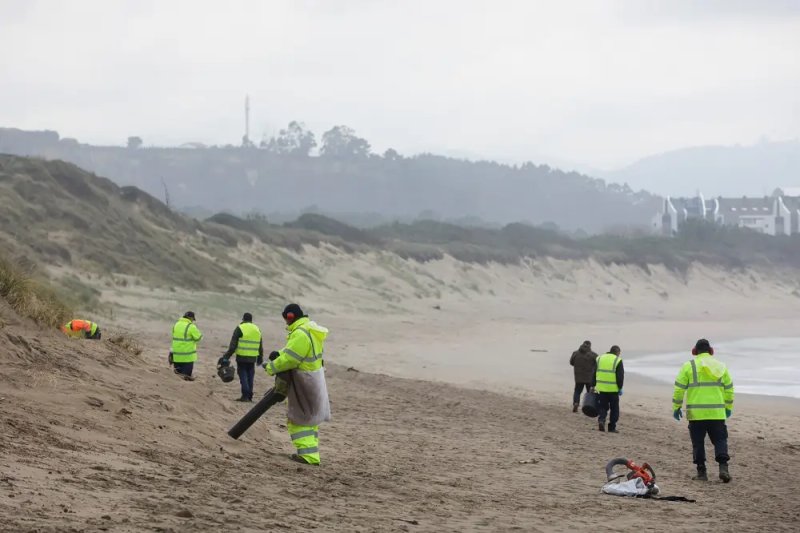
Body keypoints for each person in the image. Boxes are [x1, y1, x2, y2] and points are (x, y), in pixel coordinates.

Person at [262, 303, 331, 465]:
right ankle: (311, 454)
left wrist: (271, 367)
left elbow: (291, 359)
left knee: (299, 419)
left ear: (290, 316)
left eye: (286, 319)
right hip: (313, 378)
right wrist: (279, 354)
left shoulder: (300, 333)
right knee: (309, 418)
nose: (285, 322)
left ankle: (308, 456)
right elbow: (295, 352)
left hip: (304, 381)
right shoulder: (309, 330)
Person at [672, 338, 734, 483]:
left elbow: (679, 389)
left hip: (696, 414)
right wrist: (728, 408)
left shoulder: (689, 366)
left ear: (695, 351)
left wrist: (677, 407)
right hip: (717, 413)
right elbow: (729, 390)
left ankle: (702, 472)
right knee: (720, 440)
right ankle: (723, 468)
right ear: (711, 351)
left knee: (698, 443)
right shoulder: (721, 366)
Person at [219, 312, 263, 402]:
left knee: (243, 375)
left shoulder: (240, 328)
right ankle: (250, 396)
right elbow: (260, 345)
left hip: (242, 357)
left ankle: (245, 395)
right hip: (253, 357)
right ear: (251, 320)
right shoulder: (257, 329)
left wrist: (226, 357)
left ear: (243, 319)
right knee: (250, 376)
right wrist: (260, 357)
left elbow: (233, 346)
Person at [592, 345, 624, 433]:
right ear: (617, 352)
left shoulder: (599, 358)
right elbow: (620, 376)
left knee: (602, 406)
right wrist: (620, 387)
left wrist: (593, 385)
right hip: (613, 390)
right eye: (619, 353)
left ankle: (601, 420)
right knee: (614, 409)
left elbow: (594, 373)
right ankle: (612, 427)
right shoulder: (618, 360)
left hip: (600, 388)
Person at [169, 311, 202, 380]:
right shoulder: (191, 326)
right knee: (186, 377)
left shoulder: (176, 324)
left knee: (177, 375)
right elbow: (199, 337)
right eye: (193, 320)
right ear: (191, 318)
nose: (193, 321)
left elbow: (174, 336)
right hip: (187, 357)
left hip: (176, 356)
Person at [569, 340, 598, 412]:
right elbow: (597, 365)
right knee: (590, 392)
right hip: (590, 377)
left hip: (578, 376)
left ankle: (576, 403)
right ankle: (589, 406)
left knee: (577, 391)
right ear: (590, 346)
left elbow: (571, 362)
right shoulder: (594, 355)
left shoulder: (575, 353)